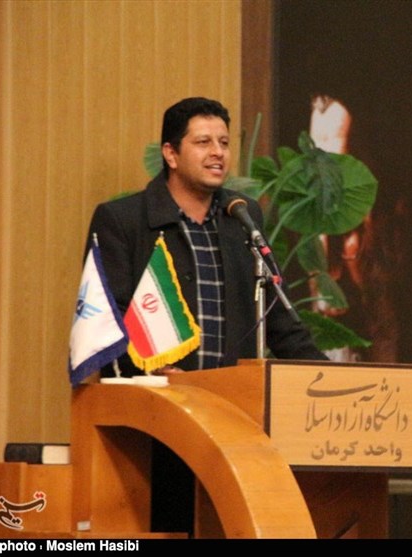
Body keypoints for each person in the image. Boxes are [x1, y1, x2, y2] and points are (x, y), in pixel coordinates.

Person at [82, 96, 327, 535]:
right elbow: (107, 320)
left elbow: (280, 321)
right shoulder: (124, 220)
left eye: (224, 142)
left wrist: (329, 380)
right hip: (156, 427)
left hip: (235, 426)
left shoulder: (241, 216)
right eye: (203, 142)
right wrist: (154, 374)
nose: (218, 153)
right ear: (171, 154)